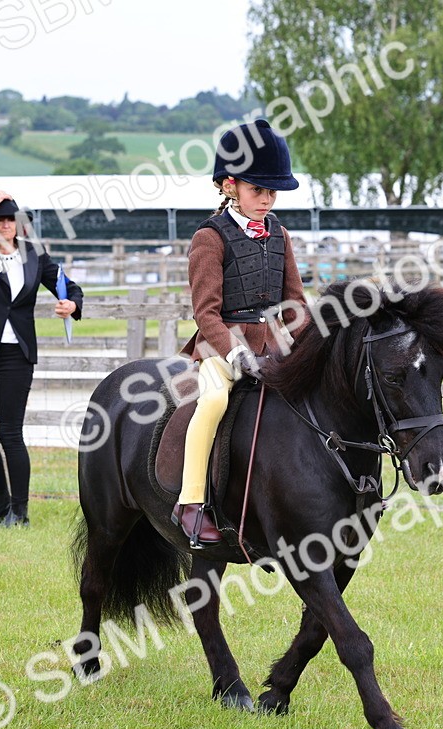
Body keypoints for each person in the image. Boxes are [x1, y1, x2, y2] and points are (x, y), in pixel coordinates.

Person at [172, 119, 309, 547]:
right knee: (213, 401)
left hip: (273, 348)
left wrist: (311, 346)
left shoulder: (280, 235)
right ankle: (191, 503)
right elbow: (205, 312)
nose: (266, 200)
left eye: (271, 192)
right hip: (219, 349)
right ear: (230, 186)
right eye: (258, 190)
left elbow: (296, 306)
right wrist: (234, 354)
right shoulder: (209, 238)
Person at [0, 190, 83, 527]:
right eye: (0, 220)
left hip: (17, 354)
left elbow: (67, 286)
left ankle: (20, 511)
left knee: (11, 433)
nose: (7, 225)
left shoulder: (34, 255)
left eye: (11, 219)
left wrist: (71, 304)